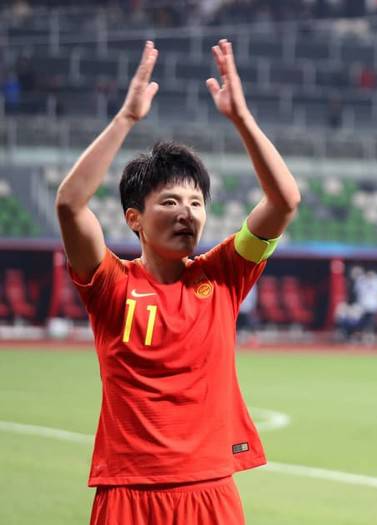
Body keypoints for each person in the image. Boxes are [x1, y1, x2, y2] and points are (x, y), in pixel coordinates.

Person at [55, 40, 300, 524]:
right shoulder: (109, 285)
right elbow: (69, 206)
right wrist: (126, 117)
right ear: (134, 219)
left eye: (196, 203)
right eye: (169, 202)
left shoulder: (225, 274)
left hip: (210, 490)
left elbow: (285, 202)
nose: (187, 212)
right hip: (128, 492)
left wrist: (242, 120)